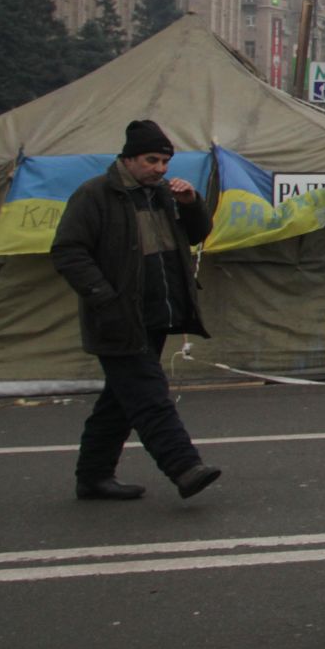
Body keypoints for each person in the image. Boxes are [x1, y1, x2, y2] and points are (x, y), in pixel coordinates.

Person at [49, 119, 221, 503]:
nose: (160, 169)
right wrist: (104, 297)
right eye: (151, 160)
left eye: (164, 161)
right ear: (128, 159)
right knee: (148, 394)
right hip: (117, 317)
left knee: (120, 400)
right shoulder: (95, 195)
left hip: (156, 315)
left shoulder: (162, 195)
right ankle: (183, 465)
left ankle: (93, 477)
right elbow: (67, 250)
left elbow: (195, 235)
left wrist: (192, 205)